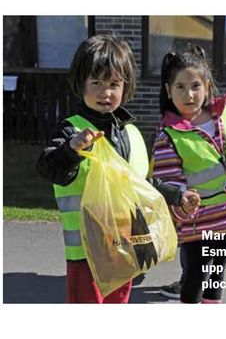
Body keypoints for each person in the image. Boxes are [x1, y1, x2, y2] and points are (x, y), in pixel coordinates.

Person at [36, 33, 197, 304]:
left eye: (114, 83)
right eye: (96, 82)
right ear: (81, 83)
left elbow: (140, 184)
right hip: (87, 252)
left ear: (126, 86)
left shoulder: (130, 133)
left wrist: (177, 195)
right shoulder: (71, 128)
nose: (105, 92)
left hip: (125, 248)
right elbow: (48, 167)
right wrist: (72, 148)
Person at [150, 44, 226, 303]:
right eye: (180, 87)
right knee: (195, 276)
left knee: (217, 275)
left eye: (195, 86)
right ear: (168, 91)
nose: (189, 94)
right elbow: (167, 186)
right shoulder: (169, 136)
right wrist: (184, 204)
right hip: (197, 225)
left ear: (207, 87)